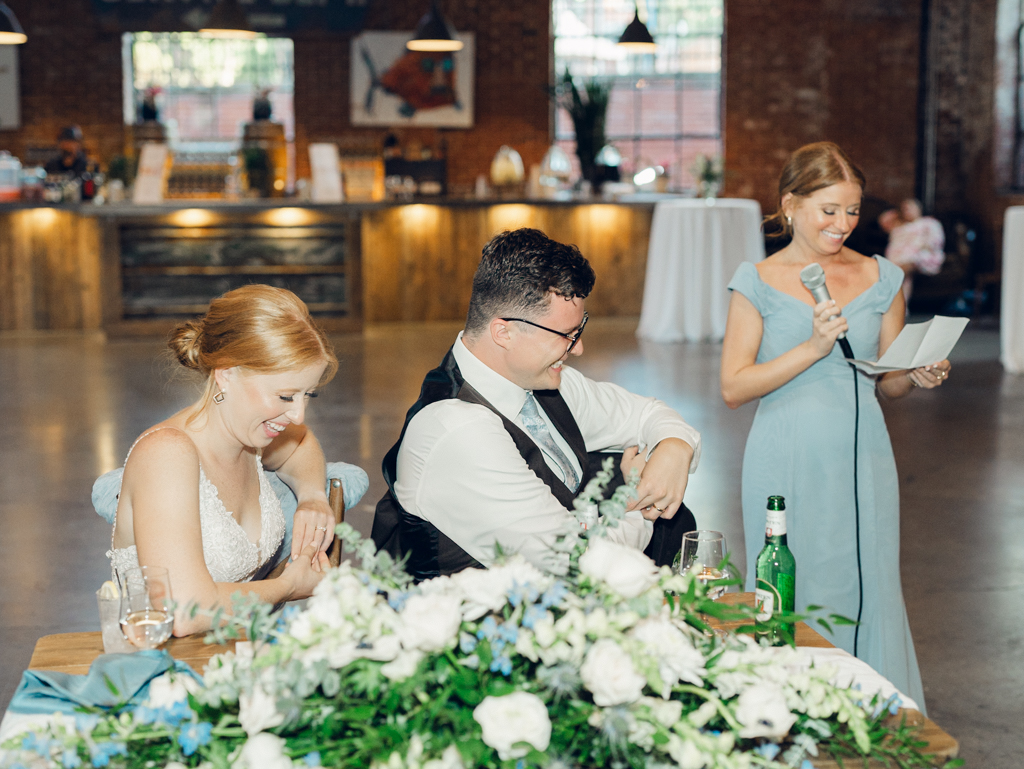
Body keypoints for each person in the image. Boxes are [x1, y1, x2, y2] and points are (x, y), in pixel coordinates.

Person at [720, 142, 950, 712]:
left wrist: (915, 372)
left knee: (872, 587)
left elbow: (887, 382)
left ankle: (874, 721)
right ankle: (791, 722)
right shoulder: (757, 280)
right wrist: (814, 346)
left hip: (865, 457)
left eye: (852, 210)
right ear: (790, 205)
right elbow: (734, 387)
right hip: (785, 457)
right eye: (828, 209)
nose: (842, 224)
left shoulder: (883, 276)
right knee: (796, 591)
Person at [371, 228, 702, 579]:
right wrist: (639, 502)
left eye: (580, 330)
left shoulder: (543, 381)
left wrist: (675, 447)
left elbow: (648, 414)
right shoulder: (457, 430)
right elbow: (576, 561)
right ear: (504, 332)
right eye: (565, 335)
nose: (578, 348)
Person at [107, 285, 339, 636]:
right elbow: (184, 613)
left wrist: (312, 496)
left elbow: (303, 443)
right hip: (163, 668)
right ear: (226, 373)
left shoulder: (252, 439)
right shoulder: (166, 454)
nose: (297, 415)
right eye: (285, 395)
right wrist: (289, 586)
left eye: (308, 394)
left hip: (231, 653)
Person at [879, 198, 945, 304]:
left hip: (922, 255)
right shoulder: (898, 225)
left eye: (911, 208)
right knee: (903, 276)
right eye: (904, 209)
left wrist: (918, 247)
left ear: (918, 209)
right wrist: (897, 213)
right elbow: (883, 220)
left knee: (903, 269)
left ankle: (886, 294)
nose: (907, 211)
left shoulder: (928, 223)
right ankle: (901, 306)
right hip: (899, 258)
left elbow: (936, 242)